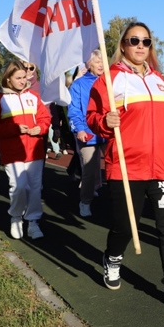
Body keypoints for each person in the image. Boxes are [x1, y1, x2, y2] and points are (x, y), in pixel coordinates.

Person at [86, 22, 164, 311]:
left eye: (146, 41)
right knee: (124, 225)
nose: (140, 46)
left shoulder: (159, 79)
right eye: (133, 40)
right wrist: (104, 123)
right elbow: (92, 117)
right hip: (126, 167)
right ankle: (112, 258)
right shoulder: (108, 81)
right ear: (122, 45)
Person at [0, 61, 52, 240]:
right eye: (19, 78)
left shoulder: (33, 96)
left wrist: (41, 128)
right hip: (12, 152)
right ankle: (16, 216)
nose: (23, 81)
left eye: (24, 77)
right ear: (9, 79)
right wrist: (15, 129)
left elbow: (45, 117)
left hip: (35, 150)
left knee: (35, 188)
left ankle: (33, 221)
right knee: (19, 186)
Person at [67, 50, 105, 218]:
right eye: (97, 62)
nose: (101, 66)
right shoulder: (79, 84)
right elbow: (74, 110)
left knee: (115, 168)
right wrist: (80, 129)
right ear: (89, 64)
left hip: (108, 133)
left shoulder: (110, 83)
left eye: (104, 62)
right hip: (88, 133)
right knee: (89, 171)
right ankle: (85, 201)